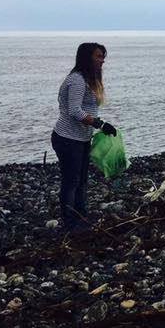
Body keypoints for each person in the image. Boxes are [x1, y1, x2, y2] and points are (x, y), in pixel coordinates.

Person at [52, 43, 117, 230]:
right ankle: (70, 222)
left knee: (81, 179)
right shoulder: (77, 80)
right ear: (86, 57)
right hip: (67, 138)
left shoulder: (91, 79)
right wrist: (100, 124)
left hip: (82, 138)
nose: (102, 60)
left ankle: (82, 216)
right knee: (71, 181)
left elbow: (88, 109)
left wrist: (99, 125)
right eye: (99, 56)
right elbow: (74, 111)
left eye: (103, 56)